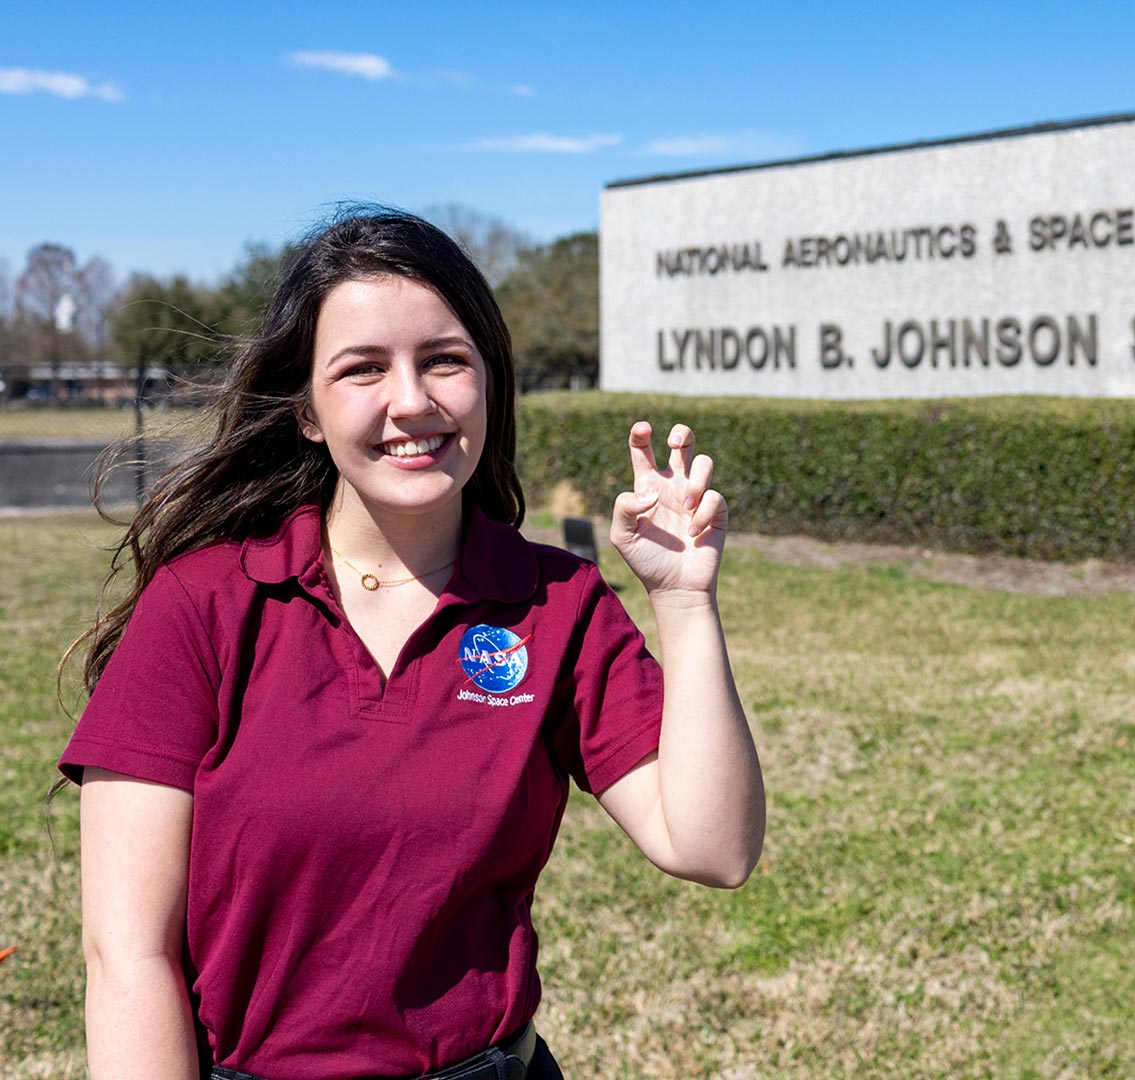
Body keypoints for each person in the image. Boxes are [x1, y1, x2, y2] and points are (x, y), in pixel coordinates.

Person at [53, 207, 765, 1080]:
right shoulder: (203, 603)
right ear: (308, 412)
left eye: (444, 360)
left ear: (489, 382)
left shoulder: (559, 604)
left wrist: (685, 604)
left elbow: (712, 847)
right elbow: (128, 955)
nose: (412, 401)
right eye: (361, 369)